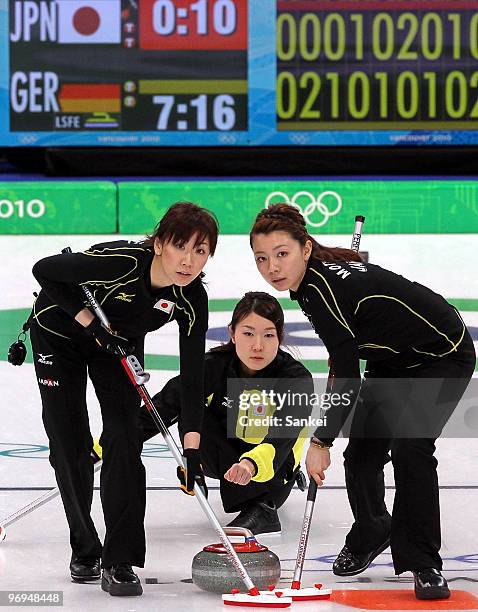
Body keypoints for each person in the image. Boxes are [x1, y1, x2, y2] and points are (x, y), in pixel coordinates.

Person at [249, 203, 475, 600]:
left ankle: (424, 563)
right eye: (262, 258)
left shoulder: (320, 290)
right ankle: (373, 529)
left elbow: (348, 376)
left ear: (305, 248)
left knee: (410, 447)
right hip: (395, 358)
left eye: (281, 254)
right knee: (363, 455)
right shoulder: (311, 280)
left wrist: (320, 441)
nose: (272, 268)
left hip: (442, 355)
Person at [29, 201, 218, 596]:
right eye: (180, 246)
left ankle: (119, 561)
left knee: (124, 436)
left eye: (200, 251)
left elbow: (194, 378)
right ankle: (84, 547)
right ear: (160, 243)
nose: (188, 260)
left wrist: (193, 447)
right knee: (71, 444)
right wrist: (88, 324)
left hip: (115, 346)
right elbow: (45, 270)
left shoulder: (191, 299)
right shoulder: (123, 263)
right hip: (59, 336)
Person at [141, 292, 313, 536]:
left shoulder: (296, 379)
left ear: (280, 337)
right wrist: (106, 447)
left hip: (272, 470)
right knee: (190, 400)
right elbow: (162, 407)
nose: (257, 345)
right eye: (248, 333)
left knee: (269, 457)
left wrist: (250, 464)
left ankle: (262, 507)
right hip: (222, 457)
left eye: (268, 335)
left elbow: (281, 437)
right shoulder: (214, 365)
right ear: (232, 333)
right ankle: (241, 492)